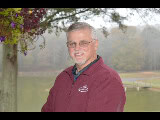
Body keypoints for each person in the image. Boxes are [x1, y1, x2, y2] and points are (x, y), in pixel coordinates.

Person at [41, 22, 126, 112]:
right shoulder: (63, 77)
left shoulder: (108, 79)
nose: (77, 48)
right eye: (72, 44)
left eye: (83, 43)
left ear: (95, 44)